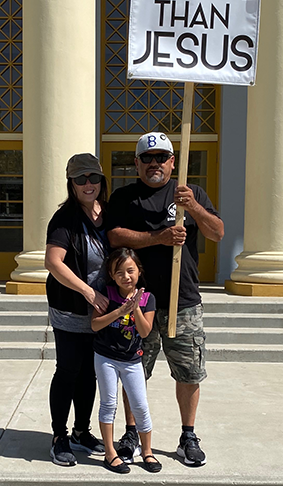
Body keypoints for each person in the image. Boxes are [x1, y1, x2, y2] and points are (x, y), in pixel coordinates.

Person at [106, 132, 224, 467]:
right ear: (137, 163)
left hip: (182, 301)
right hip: (138, 302)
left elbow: (217, 232)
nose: (154, 164)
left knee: (188, 372)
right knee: (133, 371)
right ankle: (131, 432)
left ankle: (188, 435)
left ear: (173, 162)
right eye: (148, 158)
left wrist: (194, 207)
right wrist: (159, 237)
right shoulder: (126, 197)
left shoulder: (191, 193)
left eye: (162, 157)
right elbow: (115, 236)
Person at [45, 153, 109, 467]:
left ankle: (82, 432)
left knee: (89, 374)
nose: (88, 184)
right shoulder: (64, 219)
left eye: (93, 178)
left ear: (101, 180)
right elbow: (53, 262)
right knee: (68, 371)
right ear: (71, 183)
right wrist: (87, 291)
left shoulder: (108, 214)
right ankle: (60, 436)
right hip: (70, 309)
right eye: (80, 179)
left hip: (101, 313)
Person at [91, 247, 162, 474]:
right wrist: (120, 311)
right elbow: (95, 324)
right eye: (119, 272)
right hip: (106, 358)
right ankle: (111, 453)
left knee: (140, 405)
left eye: (130, 270)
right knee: (108, 404)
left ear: (138, 271)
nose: (126, 276)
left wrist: (136, 308)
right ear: (112, 275)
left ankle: (147, 451)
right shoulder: (106, 293)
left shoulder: (148, 299)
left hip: (132, 361)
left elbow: (144, 331)